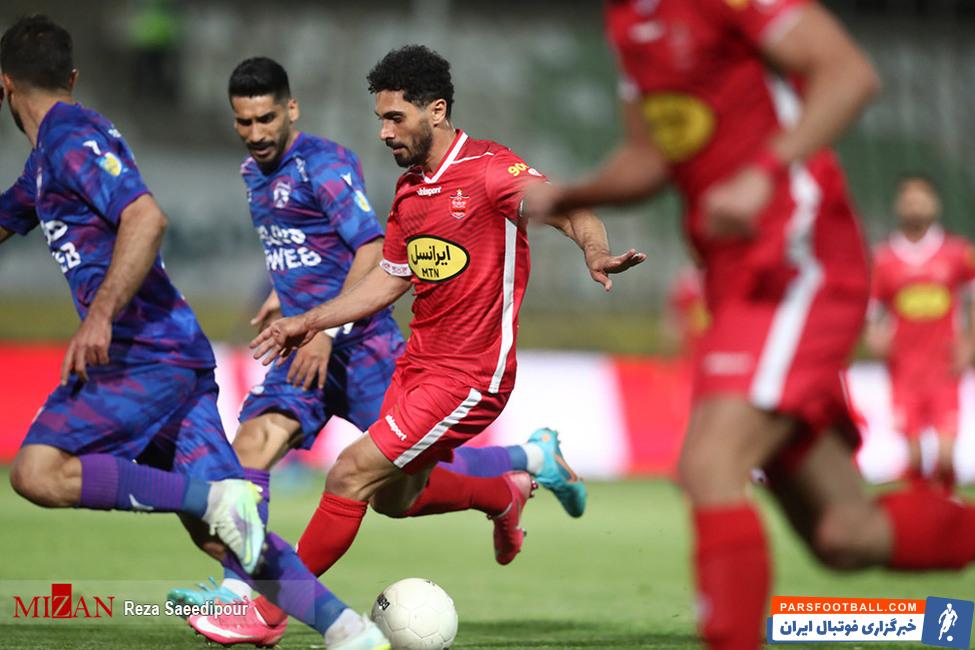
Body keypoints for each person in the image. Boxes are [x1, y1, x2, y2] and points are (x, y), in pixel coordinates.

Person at [523, 2, 975, 648]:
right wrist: (570, 197)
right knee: (843, 535)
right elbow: (648, 156)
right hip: (734, 282)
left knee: (709, 464)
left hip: (798, 257)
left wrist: (763, 172)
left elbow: (848, 75)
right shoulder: (626, 21)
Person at [192, 44, 644, 642]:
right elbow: (387, 280)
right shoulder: (410, 191)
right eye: (380, 118)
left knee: (349, 474)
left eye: (394, 117)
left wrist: (594, 249)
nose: (384, 131)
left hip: (470, 376)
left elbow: (567, 209)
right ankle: (504, 493)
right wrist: (311, 322)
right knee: (392, 499)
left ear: (436, 111)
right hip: (415, 367)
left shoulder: (489, 171)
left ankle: (266, 610)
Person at [0, 16, 390, 649]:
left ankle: (210, 497)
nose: (255, 133)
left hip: (142, 354)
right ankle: (351, 632)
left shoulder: (70, 137)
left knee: (36, 472)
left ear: (5, 84)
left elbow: (146, 218)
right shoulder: (48, 159)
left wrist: (99, 316)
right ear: (70, 76)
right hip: (177, 358)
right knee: (227, 538)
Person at [866, 174, 975, 492]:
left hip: (944, 366)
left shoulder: (958, 252)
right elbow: (871, 307)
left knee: (945, 457)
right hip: (903, 369)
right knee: (913, 458)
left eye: (922, 196)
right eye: (909, 197)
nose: (915, 203)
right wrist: (874, 335)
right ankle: (918, 512)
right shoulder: (883, 258)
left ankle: (945, 508)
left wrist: (969, 343)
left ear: (935, 204)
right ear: (899, 205)